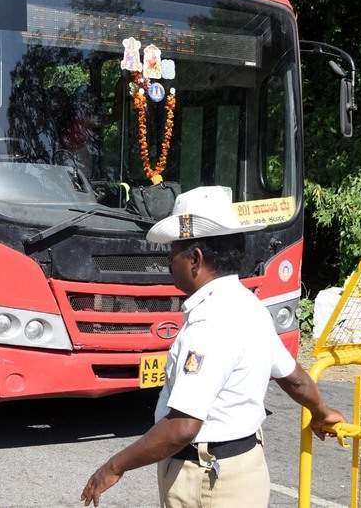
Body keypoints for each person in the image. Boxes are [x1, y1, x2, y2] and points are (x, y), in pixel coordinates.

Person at [79, 186, 346, 507]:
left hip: (205, 480)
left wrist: (113, 467)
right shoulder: (250, 306)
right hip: (246, 469)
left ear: (195, 259)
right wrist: (321, 411)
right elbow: (295, 378)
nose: (168, 261)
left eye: (174, 252)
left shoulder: (208, 323)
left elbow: (182, 427)